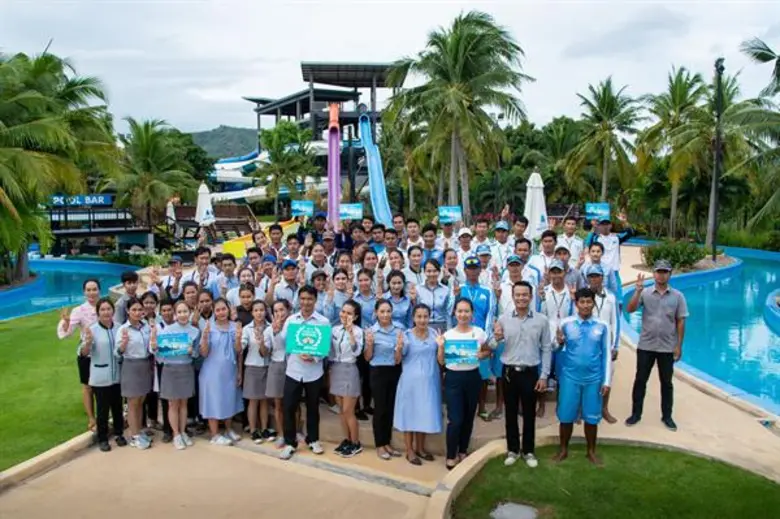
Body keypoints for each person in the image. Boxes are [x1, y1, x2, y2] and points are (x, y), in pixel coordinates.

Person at [492, 281, 551, 468]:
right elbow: (492, 346)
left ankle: (528, 451)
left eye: (525, 295)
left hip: (530, 372)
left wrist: (544, 375)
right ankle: (513, 449)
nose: (521, 298)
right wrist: (496, 338)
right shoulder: (503, 319)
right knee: (510, 413)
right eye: (517, 295)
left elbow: (547, 349)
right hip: (509, 372)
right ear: (512, 296)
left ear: (531, 297)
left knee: (529, 413)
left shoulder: (541, 320)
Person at [625, 260, 688, 431]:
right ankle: (636, 414)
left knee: (666, 383)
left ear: (670, 273)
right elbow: (629, 309)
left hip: (667, 347)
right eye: (659, 271)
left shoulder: (678, 296)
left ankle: (667, 416)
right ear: (654, 273)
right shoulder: (645, 293)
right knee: (640, 381)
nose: (661, 275)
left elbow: (680, 321)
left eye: (665, 271)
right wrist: (637, 292)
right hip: (646, 345)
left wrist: (678, 345)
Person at [554, 288, 611, 465]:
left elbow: (607, 354)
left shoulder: (602, 326)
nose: (585, 305)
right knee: (566, 415)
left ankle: (591, 451)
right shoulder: (565, 323)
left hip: (594, 379)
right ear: (576, 304)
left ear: (593, 303)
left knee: (592, 417)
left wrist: (606, 381)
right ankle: (563, 449)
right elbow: (556, 348)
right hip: (570, 378)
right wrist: (559, 342)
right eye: (582, 302)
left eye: (589, 302)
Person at [437, 298, 491, 470]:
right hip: (453, 378)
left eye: (466, 311)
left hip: (473, 377)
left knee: (468, 417)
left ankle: (463, 450)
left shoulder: (479, 332)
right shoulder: (448, 335)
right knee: (455, 419)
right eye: (459, 311)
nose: (463, 314)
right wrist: (440, 347)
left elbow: (488, 351)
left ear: (472, 314)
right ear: (454, 313)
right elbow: (442, 361)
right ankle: (451, 454)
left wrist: (482, 355)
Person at [277, 285, 330, 460]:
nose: (306, 302)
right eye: (303, 299)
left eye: (309, 299)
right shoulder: (291, 320)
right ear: (299, 300)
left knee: (313, 408)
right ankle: (290, 442)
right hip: (293, 371)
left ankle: (313, 439)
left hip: (314, 372)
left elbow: (325, 348)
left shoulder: (323, 322)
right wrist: (277, 330)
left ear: (315, 300)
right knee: (289, 407)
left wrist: (314, 357)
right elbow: (283, 342)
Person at [394, 304, 442, 465]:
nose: (422, 320)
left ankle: (421, 448)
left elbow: (440, 359)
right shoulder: (406, 336)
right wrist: (399, 348)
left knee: (424, 415)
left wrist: (441, 347)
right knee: (410, 415)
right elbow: (397, 360)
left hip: (429, 383)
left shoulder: (435, 334)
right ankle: (409, 450)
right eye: (419, 316)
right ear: (413, 318)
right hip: (410, 383)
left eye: (425, 316)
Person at [453, 256, 496, 422]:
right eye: (469, 269)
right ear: (465, 271)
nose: (472, 271)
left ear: (480, 270)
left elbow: (490, 314)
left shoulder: (487, 290)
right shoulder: (459, 288)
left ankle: (482, 406)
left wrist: (484, 337)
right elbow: (452, 311)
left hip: (479, 337)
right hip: (461, 336)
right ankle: (463, 407)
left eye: (475, 268)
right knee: (463, 371)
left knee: (483, 375)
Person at [152, 299, 199, 450]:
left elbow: (197, 354)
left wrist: (193, 351)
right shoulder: (167, 330)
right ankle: (176, 434)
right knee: (173, 404)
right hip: (170, 369)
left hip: (186, 368)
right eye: (179, 312)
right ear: (175, 314)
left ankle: (183, 431)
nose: (183, 314)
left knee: (184, 403)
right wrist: (154, 347)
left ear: (190, 313)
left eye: (185, 311)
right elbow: (160, 355)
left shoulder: (195, 331)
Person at [81, 298, 126, 452]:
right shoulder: (91, 330)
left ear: (113, 311)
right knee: (102, 410)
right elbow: (84, 353)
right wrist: (87, 343)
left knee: (118, 407)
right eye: (103, 310)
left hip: (117, 375)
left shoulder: (119, 328)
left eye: (109, 309)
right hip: (100, 377)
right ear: (98, 312)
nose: (106, 312)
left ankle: (119, 434)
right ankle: (103, 438)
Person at [198, 298, 244, 446]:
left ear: (228, 309)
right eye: (217, 310)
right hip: (212, 372)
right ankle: (215, 434)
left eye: (223, 309)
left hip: (230, 370)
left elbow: (238, 351)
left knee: (229, 399)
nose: (221, 312)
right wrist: (204, 338)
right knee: (213, 401)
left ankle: (228, 429)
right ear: (214, 312)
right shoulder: (208, 327)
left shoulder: (235, 326)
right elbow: (204, 353)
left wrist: (239, 372)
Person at [57, 278, 100, 433]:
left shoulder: (106, 307)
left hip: (104, 353)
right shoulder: (79, 310)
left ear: (99, 290)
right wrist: (67, 322)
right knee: (88, 387)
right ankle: (91, 419)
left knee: (104, 387)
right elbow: (66, 333)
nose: (91, 293)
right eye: (88, 290)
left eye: (94, 289)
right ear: (84, 292)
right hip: (86, 353)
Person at [365, 299, 404, 460]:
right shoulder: (370, 331)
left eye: (388, 311)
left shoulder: (399, 330)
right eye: (382, 311)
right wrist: (370, 344)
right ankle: (380, 445)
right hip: (377, 371)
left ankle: (387, 442)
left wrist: (399, 348)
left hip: (394, 370)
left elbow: (398, 360)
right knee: (380, 409)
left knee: (390, 409)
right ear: (376, 313)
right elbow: (367, 358)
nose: (385, 314)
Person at [583, 264, 620, 423]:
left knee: (607, 376)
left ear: (602, 278)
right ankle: (582, 409)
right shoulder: (583, 296)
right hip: (587, 345)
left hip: (605, 344)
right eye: (591, 276)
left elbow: (616, 322)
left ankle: (604, 408)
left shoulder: (611, 297)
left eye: (597, 276)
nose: (594, 279)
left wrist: (615, 346)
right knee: (584, 375)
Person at [115, 297, 153, 450]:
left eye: (139, 310)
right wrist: (123, 345)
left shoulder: (146, 327)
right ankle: (134, 435)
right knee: (132, 402)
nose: (137, 313)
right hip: (131, 366)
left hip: (145, 365)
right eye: (134, 310)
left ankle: (138, 430)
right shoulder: (123, 329)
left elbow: (152, 345)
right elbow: (117, 353)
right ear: (128, 311)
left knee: (141, 400)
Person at [329, 300, 365, 457]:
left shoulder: (358, 331)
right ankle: (347, 439)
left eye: (349, 313)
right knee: (341, 411)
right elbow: (327, 349)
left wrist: (350, 332)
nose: (345, 315)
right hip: (335, 369)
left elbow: (356, 351)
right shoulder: (334, 330)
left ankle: (356, 442)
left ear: (355, 316)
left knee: (348, 411)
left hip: (349, 370)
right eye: (343, 311)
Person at [241, 300, 272, 444]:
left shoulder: (271, 328)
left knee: (264, 401)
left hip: (267, 367)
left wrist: (261, 343)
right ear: (252, 312)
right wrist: (238, 342)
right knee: (253, 401)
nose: (259, 313)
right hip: (252, 367)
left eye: (262, 310)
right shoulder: (247, 329)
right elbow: (241, 347)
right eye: (256, 310)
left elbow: (266, 352)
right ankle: (254, 430)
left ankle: (265, 428)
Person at [265, 299, 291, 447]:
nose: (279, 313)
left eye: (282, 310)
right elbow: (266, 351)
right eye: (276, 311)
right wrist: (274, 333)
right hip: (276, 366)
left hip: (293, 366)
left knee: (293, 403)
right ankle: (281, 434)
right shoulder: (269, 329)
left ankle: (294, 432)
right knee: (278, 404)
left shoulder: (294, 326)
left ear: (288, 310)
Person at [415, 259, 451, 334]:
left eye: (435, 271)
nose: (432, 274)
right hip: (423, 325)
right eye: (429, 271)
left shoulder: (446, 289)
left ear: (439, 272)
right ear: (424, 272)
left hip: (441, 325)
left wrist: (449, 329)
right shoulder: (418, 289)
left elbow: (448, 312)